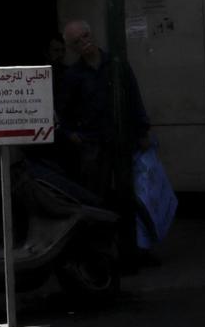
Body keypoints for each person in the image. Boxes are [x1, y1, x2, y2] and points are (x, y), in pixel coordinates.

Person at [56, 18, 150, 202]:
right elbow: (62, 110)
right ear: (72, 47)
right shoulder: (73, 75)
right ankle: (101, 229)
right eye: (77, 41)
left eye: (85, 36)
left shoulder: (116, 64)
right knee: (95, 192)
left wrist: (142, 131)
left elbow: (133, 96)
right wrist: (71, 134)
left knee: (130, 191)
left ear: (92, 34)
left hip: (121, 137)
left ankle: (127, 229)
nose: (84, 42)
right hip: (92, 141)